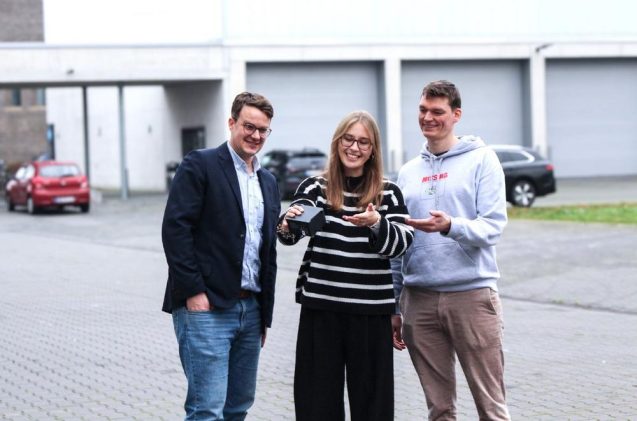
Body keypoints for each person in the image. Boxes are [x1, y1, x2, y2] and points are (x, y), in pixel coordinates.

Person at [277, 110, 414, 421]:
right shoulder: (315, 187)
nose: (354, 147)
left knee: (373, 406)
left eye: (363, 142)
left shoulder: (388, 193)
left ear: (373, 149)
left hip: (370, 314)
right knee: (317, 403)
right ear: (337, 142)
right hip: (321, 310)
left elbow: (402, 243)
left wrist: (377, 223)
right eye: (348, 139)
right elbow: (293, 228)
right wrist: (288, 223)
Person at [392, 80, 511, 420]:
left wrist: (451, 226)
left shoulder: (482, 160)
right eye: (423, 110)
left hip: (471, 295)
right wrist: (395, 304)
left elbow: (492, 227)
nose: (428, 118)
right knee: (439, 409)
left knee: (491, 406)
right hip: (419, 300)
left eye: (437, 111)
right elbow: (399, 243)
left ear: (456, 115)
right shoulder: (408, 172)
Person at [161, 91, 280, 421]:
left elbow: (266, 248)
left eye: (263, 130)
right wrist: (194, 291)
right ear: (231, 123)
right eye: (249, 126)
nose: (255, 135)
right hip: (207, 308)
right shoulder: (200, 164)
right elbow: (175, 230)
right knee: (207, 409)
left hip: (251, 310)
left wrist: (264, 315)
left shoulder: (268, 181)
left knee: (238, 407)